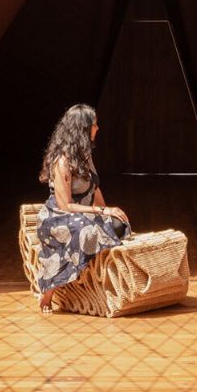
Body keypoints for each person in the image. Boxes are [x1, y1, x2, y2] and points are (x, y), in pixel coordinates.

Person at [35, 103, 131, 313]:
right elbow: (65, 205)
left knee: (118, 225)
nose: (97, 128)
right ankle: (49, 289)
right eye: (94, 125)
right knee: (85, 231)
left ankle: (95, 273)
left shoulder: (84, 156)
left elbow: (95, 189)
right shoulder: (62, 161)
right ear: (83, 129)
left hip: (82, 214)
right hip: (58, 218)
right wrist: (100, 212)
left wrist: (107, 213)